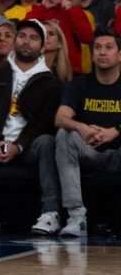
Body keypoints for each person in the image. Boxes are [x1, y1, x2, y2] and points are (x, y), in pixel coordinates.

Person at [0, 20, 63, 235]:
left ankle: (51, 212)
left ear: (42, 46)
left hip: (28, 148)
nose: (26, 41)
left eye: (33, 38)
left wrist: (18, 146)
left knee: (47, 142)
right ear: (15, 40)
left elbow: (44, 124)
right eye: (22, 36)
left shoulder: (51, 83)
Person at [54, 30, 121, 237]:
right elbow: (60, 118)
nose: (102, 52)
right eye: (98, 48)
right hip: (89, 150)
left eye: (109, 48)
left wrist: (115, 131)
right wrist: (79, 126)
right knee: (64, 135)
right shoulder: (80, 84)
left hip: (118, 152)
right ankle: (76, 216)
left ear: (120, 54)